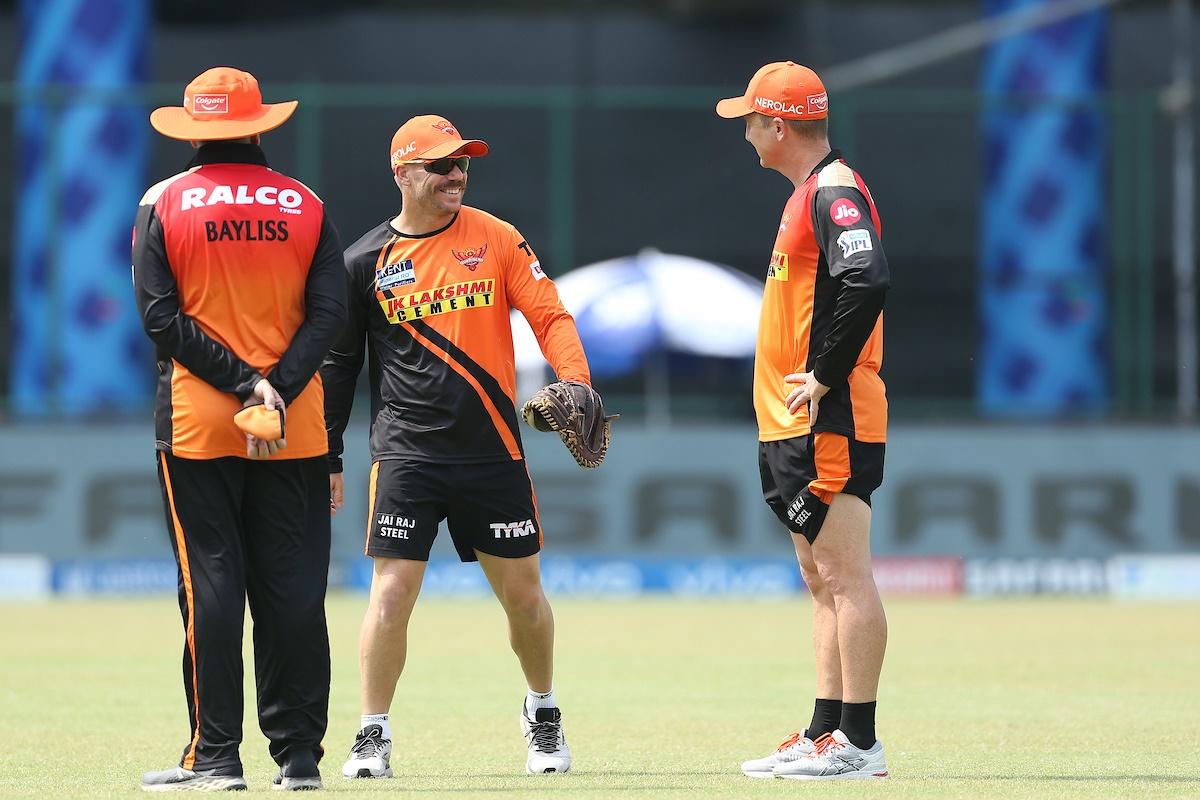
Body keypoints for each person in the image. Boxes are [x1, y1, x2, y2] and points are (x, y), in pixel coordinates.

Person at [322, 114, 594, 778]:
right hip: (407, 454)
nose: (456, 175)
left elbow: (549, 313)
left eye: (463, 164)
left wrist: (577, 382)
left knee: (525, 597)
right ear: (403, 174)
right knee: (390, 595)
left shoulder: (497, 237)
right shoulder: (363, 262)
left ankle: (543, 711)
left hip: (492, 448)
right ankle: (372, 733)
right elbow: (338, 367)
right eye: (442, 164)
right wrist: (328, 454)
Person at [133, 67, 346, 792]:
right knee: (291, 589)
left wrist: (240, 382)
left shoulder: (163, 202)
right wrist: (277, 388)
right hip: (295, 426)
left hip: (199, 423)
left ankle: (217, 759)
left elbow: (162, 321)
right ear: (260, 127)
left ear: (192, 130)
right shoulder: (306, 204)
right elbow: (329, 317)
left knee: (212, 584)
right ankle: (299, 759)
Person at [716, 62, 891, 780]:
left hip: (833, 415)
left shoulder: (835, 190)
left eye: (750, 120)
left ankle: (861, 742)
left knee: (845, 576)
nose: (746, 132)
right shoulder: (807, 195)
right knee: (821, 577)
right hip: (792, 422)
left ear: (777, 125)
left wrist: (822, 373)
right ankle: (825, 731)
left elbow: (868, 275)